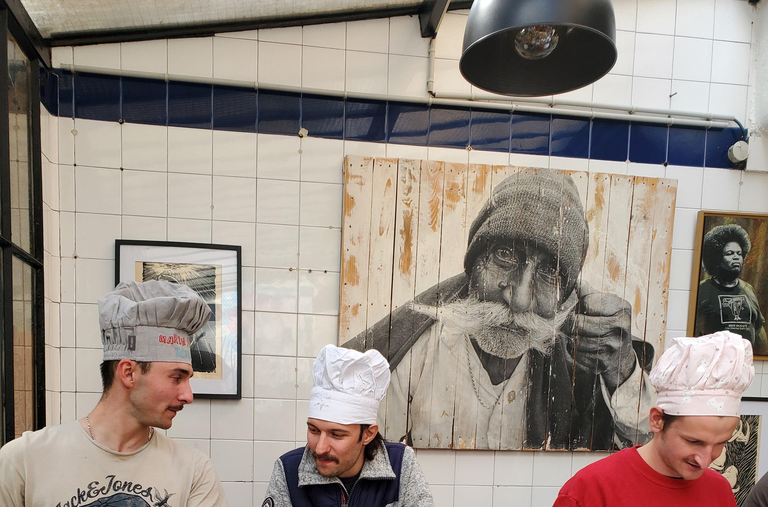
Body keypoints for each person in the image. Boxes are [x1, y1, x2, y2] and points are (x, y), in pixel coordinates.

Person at [345, 167, 654, 450]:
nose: (518, 298)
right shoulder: (416, 350)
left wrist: (623, 369)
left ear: (567, 295)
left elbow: (647, 443)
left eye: (550, 273)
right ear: (473, 264)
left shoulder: (583, 357)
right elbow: (363, 453)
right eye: (504, 255)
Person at [0, 280, 228, 507]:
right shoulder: (23, 461)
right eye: (177, 378)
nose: (188, 395)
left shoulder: (194, 472)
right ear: (128, 373)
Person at [554, 330, 753, 507]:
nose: (705, 460)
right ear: (657, 420)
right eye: (694, 441)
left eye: (720, 443)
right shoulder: (591, 489)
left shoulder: (719, 491)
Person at [263, 344, 433, 507]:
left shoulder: (400, 464)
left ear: (368, 434)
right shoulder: (289, 470)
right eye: (313, 430)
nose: (320, 448)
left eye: (336, 434)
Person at [695, 224, 767, 353]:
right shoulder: (703, 290)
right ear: (717, 259)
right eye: (729, 253)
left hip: (744, 364)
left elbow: (758, 330)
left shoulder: (748, 289)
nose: (736, 257)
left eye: (739, 253)